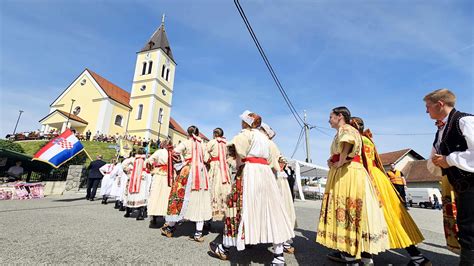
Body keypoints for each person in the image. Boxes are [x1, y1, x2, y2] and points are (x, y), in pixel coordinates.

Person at [208, 111, 294, 265]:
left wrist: (239, 166)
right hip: (266, 174)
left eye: (243, 121)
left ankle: (225, 247)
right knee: (271, 210)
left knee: (238, 207)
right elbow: (274, 161)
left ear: (246, 123)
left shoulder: (245, 135)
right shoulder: (266, 140)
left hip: (249, 172)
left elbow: (236, 152)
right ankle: (279, 256)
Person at [350, 117, 431, 266]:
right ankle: (417, 256)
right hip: (380, 178)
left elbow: (357, 161)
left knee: (367, 217)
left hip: (366, 177)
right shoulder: (368, 139)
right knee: (392, 216)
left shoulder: (355, 139)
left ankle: (365, 257)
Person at [317, 107, 388, 263]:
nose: (329, 120)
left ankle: (352, 255)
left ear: (340, 116)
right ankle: (362, 256)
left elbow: (347, 142)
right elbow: (343, 148)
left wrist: (341, 161)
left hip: (347, 173)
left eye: (331, 116)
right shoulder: (345, 130)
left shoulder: (347, 128)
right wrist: (333, 159)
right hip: (347, 170)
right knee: (355, 213)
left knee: (349, 210)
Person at [423, 88, 474, 265]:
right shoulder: (440, 130)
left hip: (471, 183)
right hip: (460, 185)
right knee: (466, 228)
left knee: (469, 231)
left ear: (440, 104)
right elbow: (435, 159)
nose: (426, 110)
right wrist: (438, 162)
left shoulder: (465, 121)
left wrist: (449, 159)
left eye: (428, 106)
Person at [161, 126, 212, 242]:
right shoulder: (203, 144)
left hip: (188, 170)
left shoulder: (186, 142)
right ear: (198, 133)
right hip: (201, 172)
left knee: (179, 196)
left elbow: (174, 153)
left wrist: (182, 163)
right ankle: (198, 232)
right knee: (200, 198)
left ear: (187, 133)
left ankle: (170, 227)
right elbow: (207, 158)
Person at [260, 122, 297, 254]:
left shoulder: (266, 144)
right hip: (277, 179)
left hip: (274, 180)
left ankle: (283, 243)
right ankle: (283, 242)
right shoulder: (272, 145)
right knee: (280, 209)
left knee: (276, 210)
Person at [204, 127, 232, 222]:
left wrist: (208, 161)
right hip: (224, 167)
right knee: (224, 188)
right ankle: (224, 210)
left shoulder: (212, 142)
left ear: (215, 134)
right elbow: (229, 156)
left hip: (215, 166)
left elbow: (205, 154)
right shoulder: (226, 143)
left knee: (212, 187)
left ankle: (210, 214)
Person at [146, 139, 174, 227]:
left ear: (163, 144)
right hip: (169, 175)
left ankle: (153, 216)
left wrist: (151, 169)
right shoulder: (173, 153)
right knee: (166, 195)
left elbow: (148, 161)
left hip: (159, 173)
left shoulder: (159, 152)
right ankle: (167, 218)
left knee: (155, 194)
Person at [122, 148, 152, 220]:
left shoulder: (133, 159)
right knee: (142, 194)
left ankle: (128, 211)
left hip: (134, 177)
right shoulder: (146, 160)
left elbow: (123, 164)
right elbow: (151, 167)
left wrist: (128, 172)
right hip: (143, 177)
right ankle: (140, 214)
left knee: (131, 193)